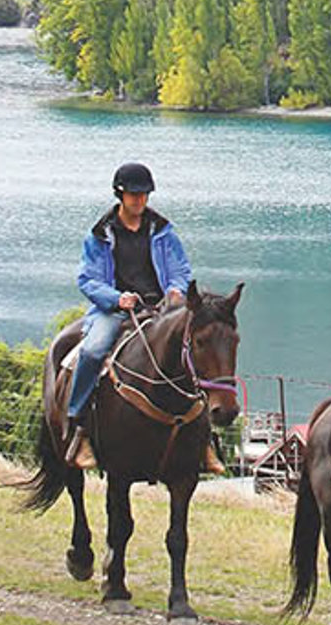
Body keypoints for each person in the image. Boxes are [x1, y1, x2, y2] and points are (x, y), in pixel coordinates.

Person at [64, 162, 192, 468]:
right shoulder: (100, 235)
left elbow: (180, 270)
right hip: (115, 309)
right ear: (120, 194)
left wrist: (176, 291)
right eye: (133, 194)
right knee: (93, 351)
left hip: (160, 307)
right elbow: (87, 280)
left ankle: (201, 438)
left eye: (144, 194)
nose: (139, 200)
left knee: (193, 351)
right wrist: (116, 298)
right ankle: (77, 423)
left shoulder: (162, 231)